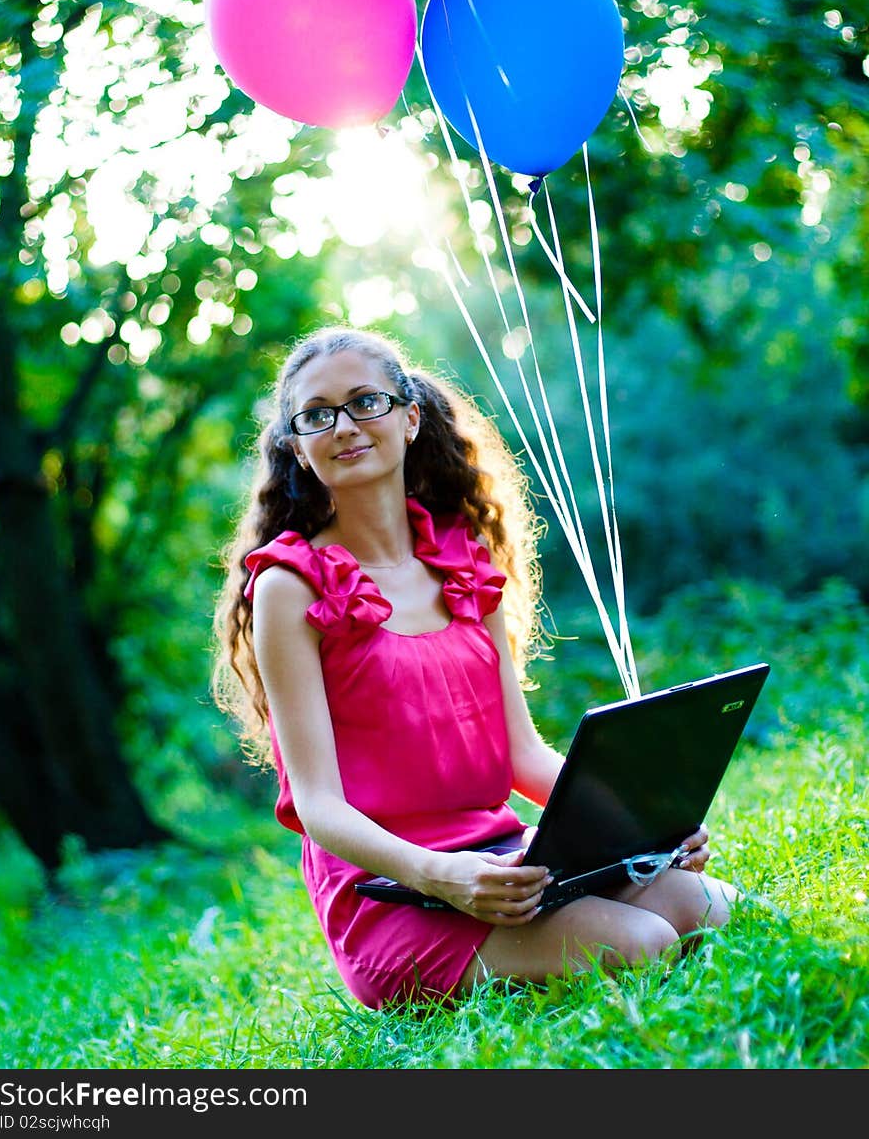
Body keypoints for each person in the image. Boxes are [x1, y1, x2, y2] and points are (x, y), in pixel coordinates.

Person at [212, 325, 738, 1011]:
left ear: (410, 417)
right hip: (391, 894)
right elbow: (317, 805)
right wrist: (443, 876)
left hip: (507, 860)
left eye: (365, 401)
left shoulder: (464, 562)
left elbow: (519, 753)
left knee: (708, 905)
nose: (344, 426)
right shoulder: (290, 586)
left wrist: (647, 821)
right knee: (643, 944)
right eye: (317, 415)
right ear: (296, 447)